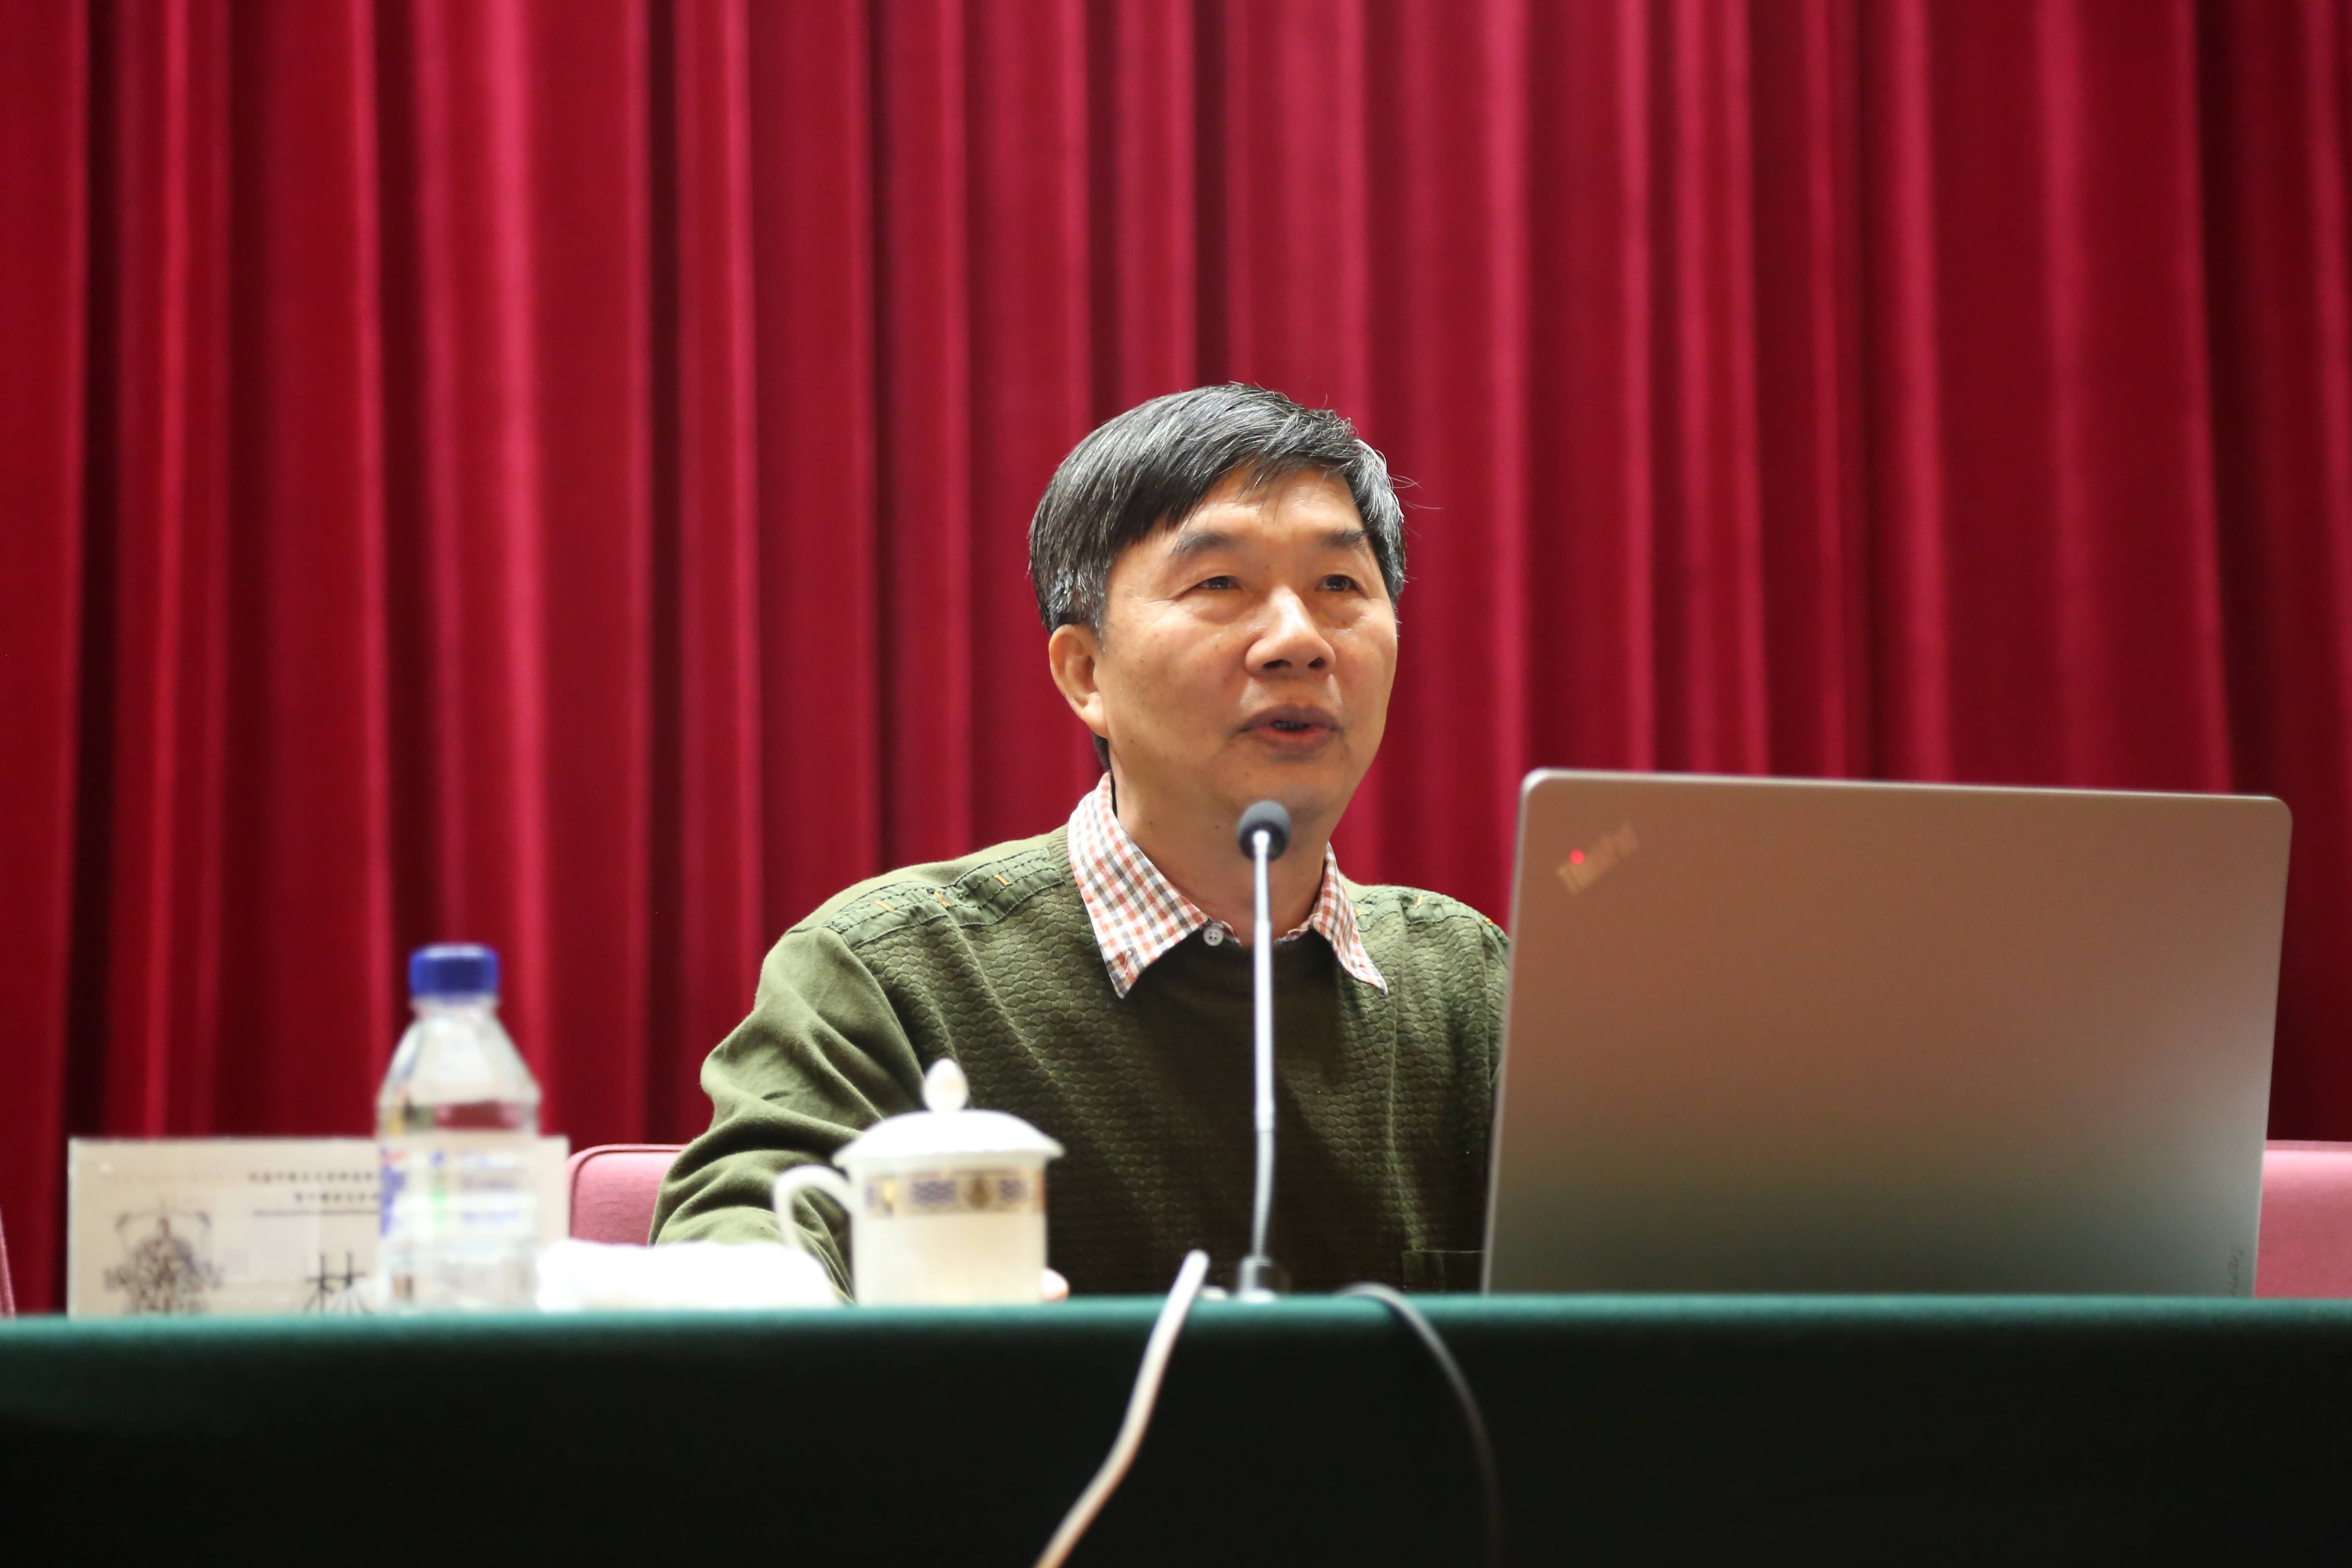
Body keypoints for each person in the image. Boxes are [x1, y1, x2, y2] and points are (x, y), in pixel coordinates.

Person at [651, 384, 1506, 1295]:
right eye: (1220, 584)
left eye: (1339, 586)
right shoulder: (895, 973)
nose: (1298, 641)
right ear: (1085, 672)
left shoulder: (1470, 986)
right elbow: (734, 1248)